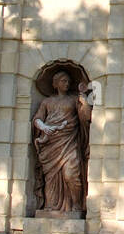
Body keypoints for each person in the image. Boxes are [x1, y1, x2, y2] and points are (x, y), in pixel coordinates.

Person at [31, 70, 91, 212]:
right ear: (55, 84)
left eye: (68, 81)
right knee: (51, 178)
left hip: (69, 141)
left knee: (71, 175)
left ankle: (76, 206)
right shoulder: (47, 101)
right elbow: (37, 119)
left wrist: (84, 103)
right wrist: (44, 127)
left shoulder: (74, 99)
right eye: (63, 81)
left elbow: (86, 118)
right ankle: (50, 206)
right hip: (50, 143)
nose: (67, 83)